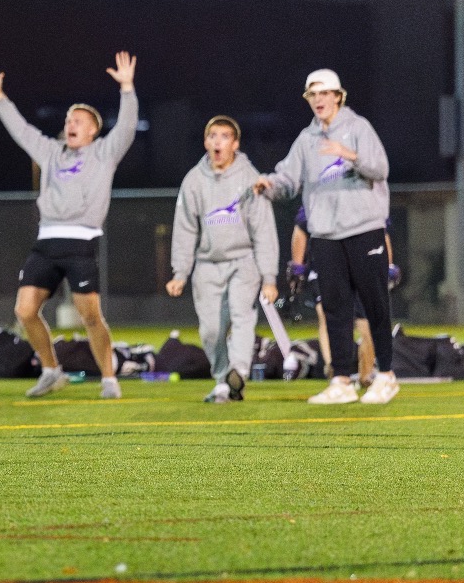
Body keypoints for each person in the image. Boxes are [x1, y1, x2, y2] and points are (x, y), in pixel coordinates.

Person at [0, 52, 138, 400]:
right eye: (68, 119)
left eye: (78, 120)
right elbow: (21, 131)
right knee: (24, 311)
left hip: (80, 243)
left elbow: (126, 127)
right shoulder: (51, 153)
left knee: (90, 316)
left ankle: (109, 378)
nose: (70, 124)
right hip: (46, 242)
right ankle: (52, 371)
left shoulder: (104, 153)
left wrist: (127, 88)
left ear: (93, 129)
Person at [255, 69, 399, 405]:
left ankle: (387, 375)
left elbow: (380, 169)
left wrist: (350, 155)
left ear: (337, 96)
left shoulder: (359, 127)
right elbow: (288, 180)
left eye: (324, 93)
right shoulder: (306, 139)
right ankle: (341, 380)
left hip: (364, 229)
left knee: (375, 305)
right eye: (312, 95)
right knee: (334, 309)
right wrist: (268, 185)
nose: (318, 100)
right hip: (325, 235)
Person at [165, 115, 279, 403]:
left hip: (244, 261)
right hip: (207, 265)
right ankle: (223, 381)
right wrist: (180, 273)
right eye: (212, 136)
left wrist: (269, 277)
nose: (218, 142)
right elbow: (185, 229)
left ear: (235, 144)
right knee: (211, 330)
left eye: (225, 136)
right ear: (205, 142)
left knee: (242, 316)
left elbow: (263, 229)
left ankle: (238, 371)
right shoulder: (193, 180)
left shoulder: (250, 178)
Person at [286, 210, 388, 385]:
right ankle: (333, 369)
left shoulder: (367, 200)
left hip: (361, 264)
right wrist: (297, 264)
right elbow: (301, 229)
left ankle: (366, 374)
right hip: (326, 262)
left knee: (366, 322)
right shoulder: (320, 198)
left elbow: (382, 233)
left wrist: (388, 264)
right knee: (327, 314)